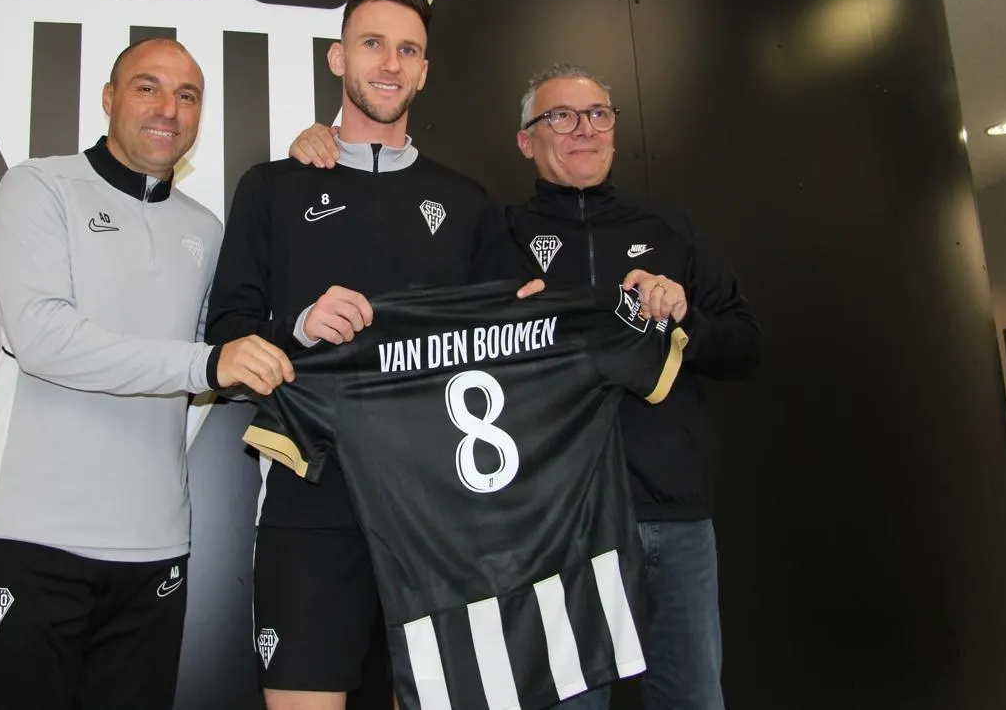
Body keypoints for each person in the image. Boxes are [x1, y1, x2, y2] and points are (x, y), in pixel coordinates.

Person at [289, 63, 761, 710]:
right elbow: (421, 333)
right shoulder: (496, 235)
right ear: (525, 139)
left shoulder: (668, 228)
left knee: (692, 697)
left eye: (598, 114)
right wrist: (324, 149)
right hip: (557, 530)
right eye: (560, 116)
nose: (583, 129)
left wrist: (684, 318)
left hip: (671, 517)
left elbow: (745, 346)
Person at [204, 0, 538, 710]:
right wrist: (298, 327)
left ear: (425, 70)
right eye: (373, 44)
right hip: (311, 501)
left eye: (408, 50)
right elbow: (224, 336)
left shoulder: (467, 204)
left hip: (439, 511)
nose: (390, 63)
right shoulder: (273, 187)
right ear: (338, 57)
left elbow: (519, 341)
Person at [0, 37, 294, 710]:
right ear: (109, 98)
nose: (168, 108)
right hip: (33, 535)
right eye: (148, 87)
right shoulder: (37, 186)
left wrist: (299, 334)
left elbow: (216, 362)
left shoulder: (204, 228)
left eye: (187, 95)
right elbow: (43, 338)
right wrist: (208, 362)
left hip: (155, 545)